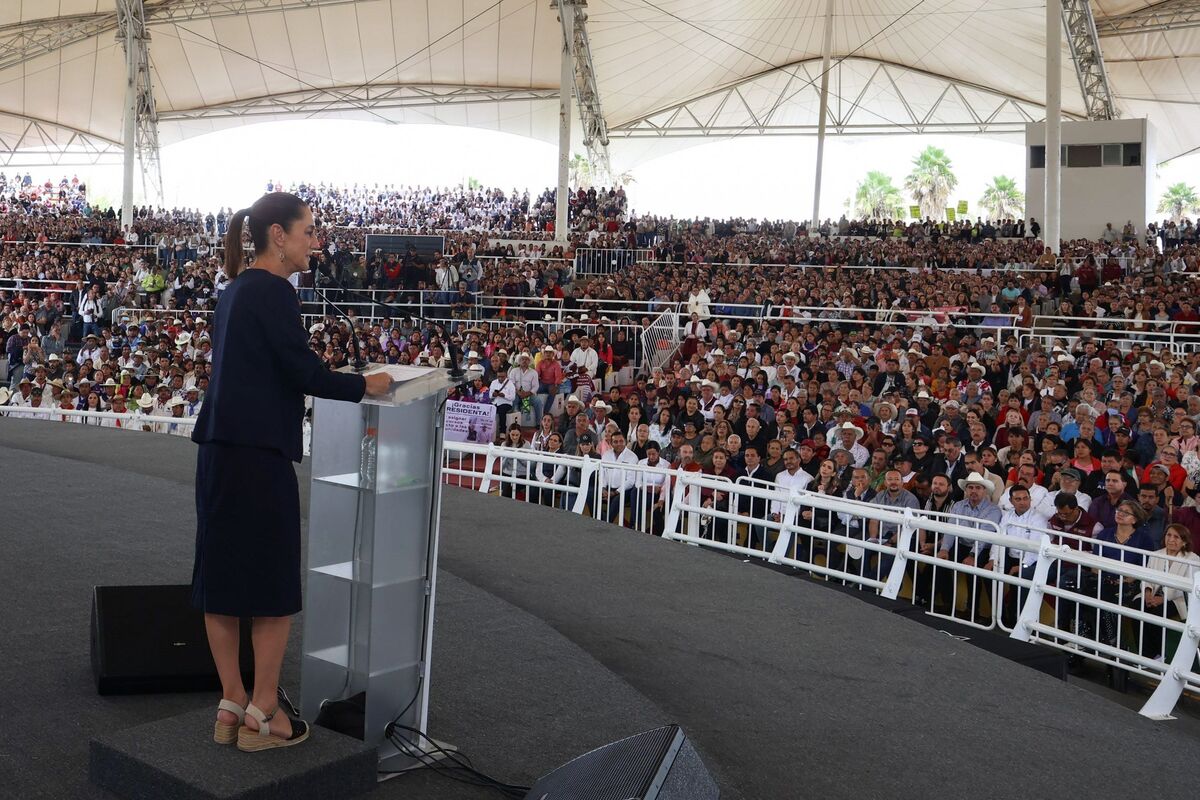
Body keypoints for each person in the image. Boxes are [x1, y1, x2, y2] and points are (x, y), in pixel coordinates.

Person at [191, 192, 391, 752]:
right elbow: (303, 372)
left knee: (221, 581)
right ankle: (265, 713)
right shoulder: (275, 291)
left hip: (218, 452)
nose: (316, 243)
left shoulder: (233, 290)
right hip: (259, 455)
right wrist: (365, 384)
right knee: (273, 585)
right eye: (309, 232)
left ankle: (231, 702)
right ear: (278, 236)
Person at [1140, 524, 1200, 660]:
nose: (1171, 539)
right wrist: (1148, 593)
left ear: (1184, 542)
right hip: (1153, 594)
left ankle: (1159, 654)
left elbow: (1187, 587)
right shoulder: (1156, 554)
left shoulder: (1193, 559)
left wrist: (1162, 599)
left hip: (1179, 600)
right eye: (1169, 535)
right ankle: (1145, 654)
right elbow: (1146, 577)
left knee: (1156, 614)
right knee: (1137, 607)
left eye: (1176, 537)